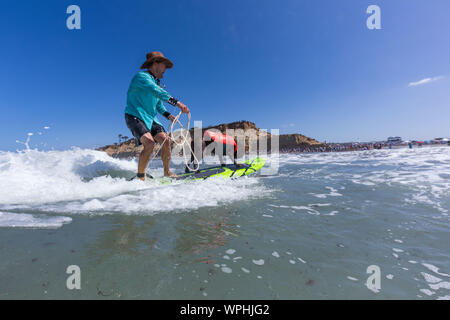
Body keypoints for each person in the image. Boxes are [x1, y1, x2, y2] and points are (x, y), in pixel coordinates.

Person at [124, 51, 189, 180]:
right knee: (149, 143)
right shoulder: (141, 77)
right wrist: (177, 103)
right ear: (155, 64)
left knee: (166, 141)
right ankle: (140, 177)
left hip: (151, 118)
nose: (165, 69)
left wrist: (169, 115)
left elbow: (159, 105)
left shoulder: (156, 82)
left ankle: (167, 172)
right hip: (135, 115)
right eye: (164, 65)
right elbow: (156, 91)